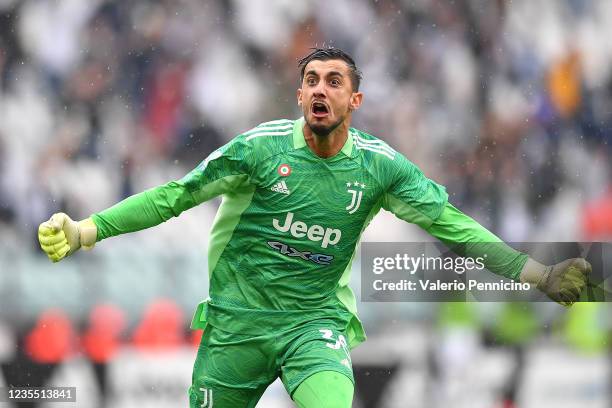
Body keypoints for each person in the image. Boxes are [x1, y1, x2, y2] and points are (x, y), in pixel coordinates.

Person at [38, 47, 591, 408]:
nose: (320, 89)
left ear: (355, 100)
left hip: (313, 325)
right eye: (311, 81)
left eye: (333, 81)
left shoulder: (380, 168)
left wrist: (539, 274)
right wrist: (88, 229)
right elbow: (174, 197)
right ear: (300, 96)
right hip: (237, 323)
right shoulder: (259, 150)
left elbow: (453, 228)